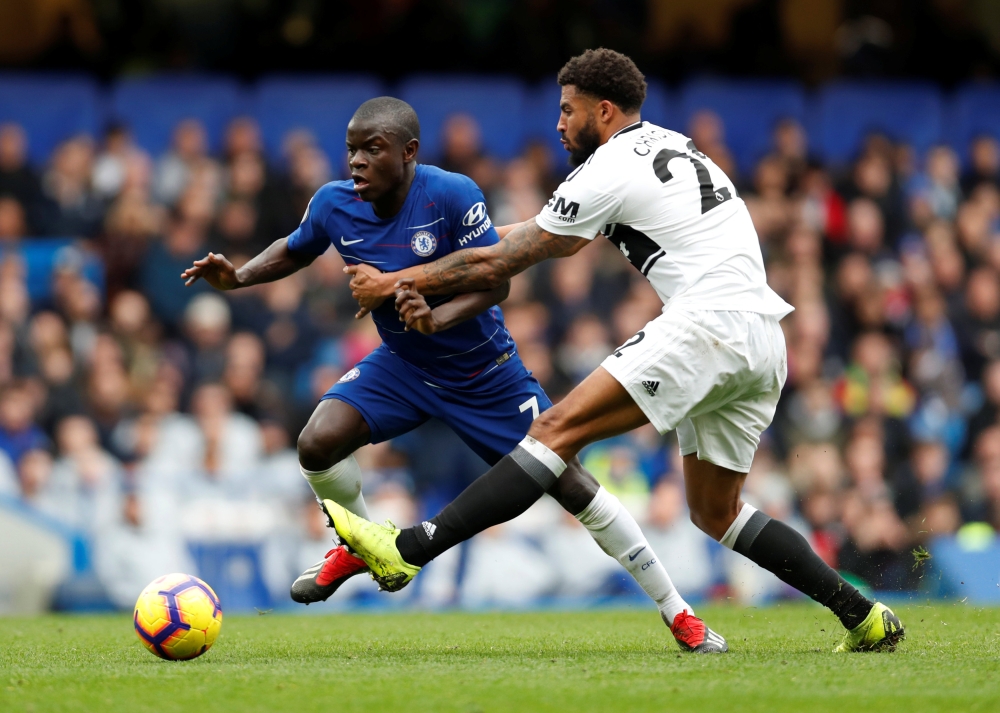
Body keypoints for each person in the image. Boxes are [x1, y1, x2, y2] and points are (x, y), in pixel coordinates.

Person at [334, 49, 904, 653]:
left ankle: (409, 550)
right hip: (763, 336)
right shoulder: (673, 145)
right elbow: (518, 234)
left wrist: (397, 281)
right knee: (717, 512)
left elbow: (503, 260)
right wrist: (428, 258)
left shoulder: (607, 167)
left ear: (603, 111)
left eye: (568, 110)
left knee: (552, 432)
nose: (558, 124)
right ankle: (863, 616)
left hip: (707, 324)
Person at [181, 96, 725, 653]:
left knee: (573, 487)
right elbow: (295, 249)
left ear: (409, 152)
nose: (357, 161)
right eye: (351, 149)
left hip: (486, 375)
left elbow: (496, 282)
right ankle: (366, 548)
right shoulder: (333, 203)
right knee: (317, 442)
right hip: (404, 364)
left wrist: (435, 318)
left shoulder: (452, 194)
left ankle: (678, 611)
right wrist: (240, 277)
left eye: (373, 149)